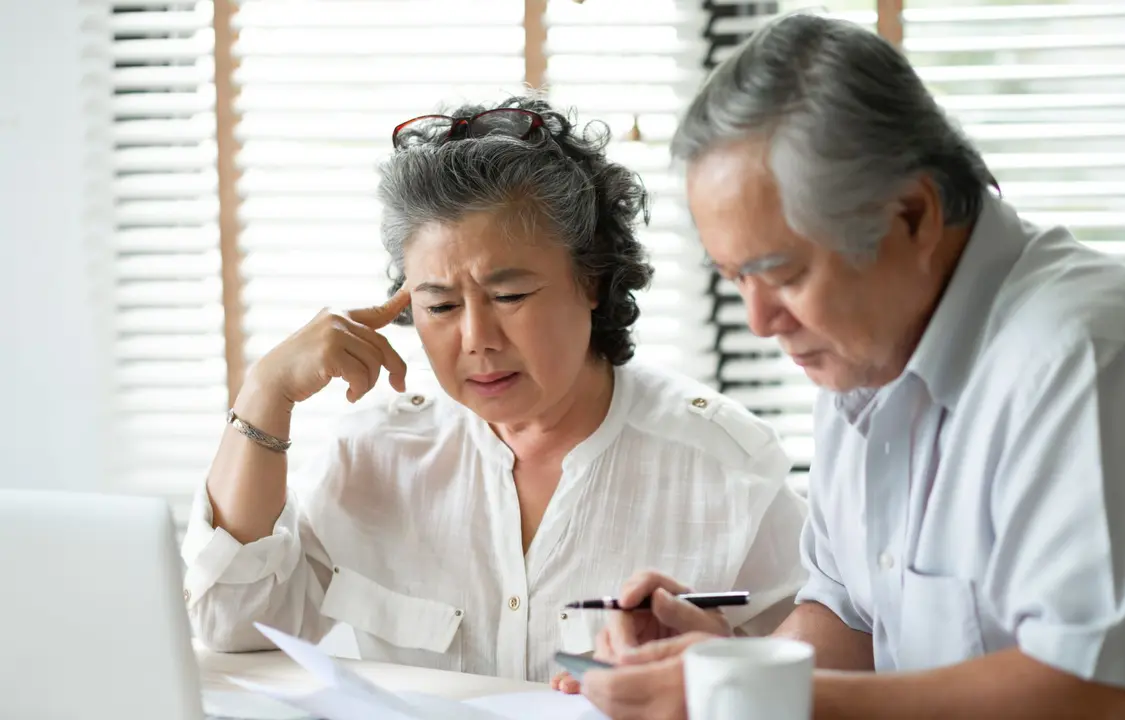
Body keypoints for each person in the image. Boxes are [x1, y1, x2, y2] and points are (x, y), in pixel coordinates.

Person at [567, 14, 1125, 720]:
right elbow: (852, 620)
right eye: (735, 280)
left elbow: (1103, 697)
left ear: (912, 215)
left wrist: (760, 696)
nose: (760, 323)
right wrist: (727, 668)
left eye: (781, 274)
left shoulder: (1089, 362)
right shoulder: (865, 357)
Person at [179, 96, 808, 683]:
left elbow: (823, 677)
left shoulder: (729, 469)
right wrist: (264, 394)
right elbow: (231, 627)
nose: (477, 338)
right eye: (441, 305)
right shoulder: (372, 457)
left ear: (592, 281)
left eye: (509, 296)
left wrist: (716, 667)